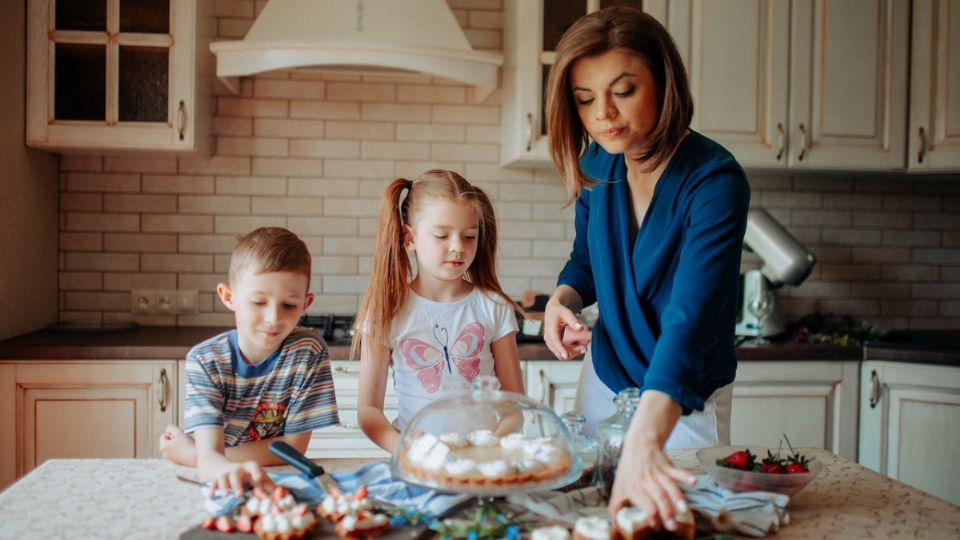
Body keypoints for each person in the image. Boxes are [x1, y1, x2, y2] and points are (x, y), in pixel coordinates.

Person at [541, 6, 750, 532]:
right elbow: (586, 261)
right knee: (595, 520)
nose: (603, 114)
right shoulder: (598, 164)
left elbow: (693, 315)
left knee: (674, 523)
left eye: (624, 90)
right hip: (603, 379)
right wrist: (562, 300)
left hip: (680, 396)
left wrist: (645, 437)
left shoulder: (715, 180)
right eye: (585, 99)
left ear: (664, 81)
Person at [352, 170, 525, 454]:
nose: (458, 247)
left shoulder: (493, 307)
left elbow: (514, 407)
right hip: (418, 464)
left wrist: (486, 450)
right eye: (442, 235)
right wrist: (410, 452)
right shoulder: (387, 311)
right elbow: (369, 411)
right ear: (409, 238)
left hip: (483, 463)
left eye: (469, 236)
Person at [159, 227, 339, 495]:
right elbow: (211, 457)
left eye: (289, 305)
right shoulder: (206, 360)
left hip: (274, 478)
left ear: (305, 303)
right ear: (228, 297)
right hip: (218, 483)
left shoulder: (308, 352)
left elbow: (293, 449)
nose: (273, 318)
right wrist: (211, 459)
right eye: (258, 302)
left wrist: (190, 454)